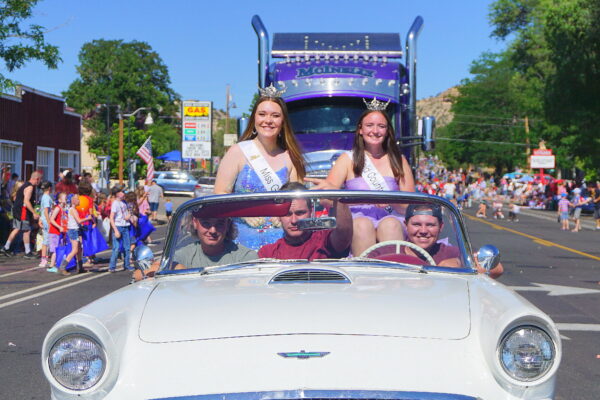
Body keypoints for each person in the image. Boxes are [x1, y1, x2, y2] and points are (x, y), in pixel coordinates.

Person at [308, 99, 415, 256]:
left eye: (381, 126)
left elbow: (410, 206)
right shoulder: (347, 159)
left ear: (388, 131)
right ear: (360, 129)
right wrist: (328, 191)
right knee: (362, 225)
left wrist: (390, 200)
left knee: (390, 225)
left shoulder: (399, 160)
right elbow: (326, 199)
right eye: (369, 125)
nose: (375, 131)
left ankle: (394, 275)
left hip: (392, 216)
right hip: (357, 219)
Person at [214, 85, 306, 194]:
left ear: (283, 122)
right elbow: (220, 194)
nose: (268, 120)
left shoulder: (291, 158)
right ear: (254, 119)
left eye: (275, 116)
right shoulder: (238, 152)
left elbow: (298, 203)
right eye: (262, 114)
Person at [133, 215, 257, 281]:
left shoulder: (245, 257)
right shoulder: (183, 255)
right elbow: (137, 275)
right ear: (195, 223)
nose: (212, 230)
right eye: (206, 223)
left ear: (228, 225)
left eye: (219, 224)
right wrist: (180, 269)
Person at [399, 204, 503, 278]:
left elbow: (497, 268)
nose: (423, 231)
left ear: (441, 227)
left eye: (430, 225)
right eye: (416, 224)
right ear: (406, 225)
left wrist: (459, 263)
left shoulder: (452, 253)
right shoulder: (388, 250)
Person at [258, 182, 353, 260]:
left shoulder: (325, 241)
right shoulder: (268, 253)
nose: (294, 220)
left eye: (300, 213)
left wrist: (338, 197)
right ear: (278, 216)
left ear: (311, 212)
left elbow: (344, 232)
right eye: (288, 214)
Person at [0, 171, 42, 258]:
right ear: (37, 179)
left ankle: (6, 247)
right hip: (22, 211)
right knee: (27, 230)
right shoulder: (30, 187)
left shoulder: (25, 185)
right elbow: (26, 201)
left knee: (17, 229)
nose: (40, 181)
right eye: (40, 179)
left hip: (17, 210)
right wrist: (34, 212)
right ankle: (27, 252)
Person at [58, 194, 92, 275]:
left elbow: (77, 222)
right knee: (75, 250)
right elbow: (79, 220)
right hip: (73, 231)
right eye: (77, 199)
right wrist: (88, 218)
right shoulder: (72, 210)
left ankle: (80, 267)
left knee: (79, 249)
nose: (79, 201)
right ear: (73, 200)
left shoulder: (74, 209)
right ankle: (62, 267)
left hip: (75, 230)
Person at [108, 186, 131, 272]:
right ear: (117, 194)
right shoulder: (115, 203)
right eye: (121, 192)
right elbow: (111, 217)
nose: (123, 193)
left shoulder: (124, 202)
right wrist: (116, 230)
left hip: (125, 226)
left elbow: (126, 212)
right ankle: (112, 266)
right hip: (118, 226)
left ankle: (127, 264)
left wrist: (128, 216)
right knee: (116, 248)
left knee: (127, 247)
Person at [47, 192, 68, 272]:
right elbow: (52, 219)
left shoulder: (63, 209)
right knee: (55, 250)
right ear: (59, 200)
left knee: (59, 248)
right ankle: (51, 266)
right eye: (65, 198)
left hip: (60, 232)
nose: (66, 200)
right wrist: (59, 227)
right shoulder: (57, 208)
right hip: (54, 232)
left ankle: (57, 264)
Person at [38, 181, 54, 267]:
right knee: (47, 240)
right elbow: (46, 210)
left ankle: (45, 258)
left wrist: (40, 219)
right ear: (50, 188)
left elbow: (42, 210)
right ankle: (44, 259)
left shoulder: (43, 197)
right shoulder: (47, 198)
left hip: (44, 220)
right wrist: (49, 222)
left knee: (46, 240)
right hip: (47, 221)